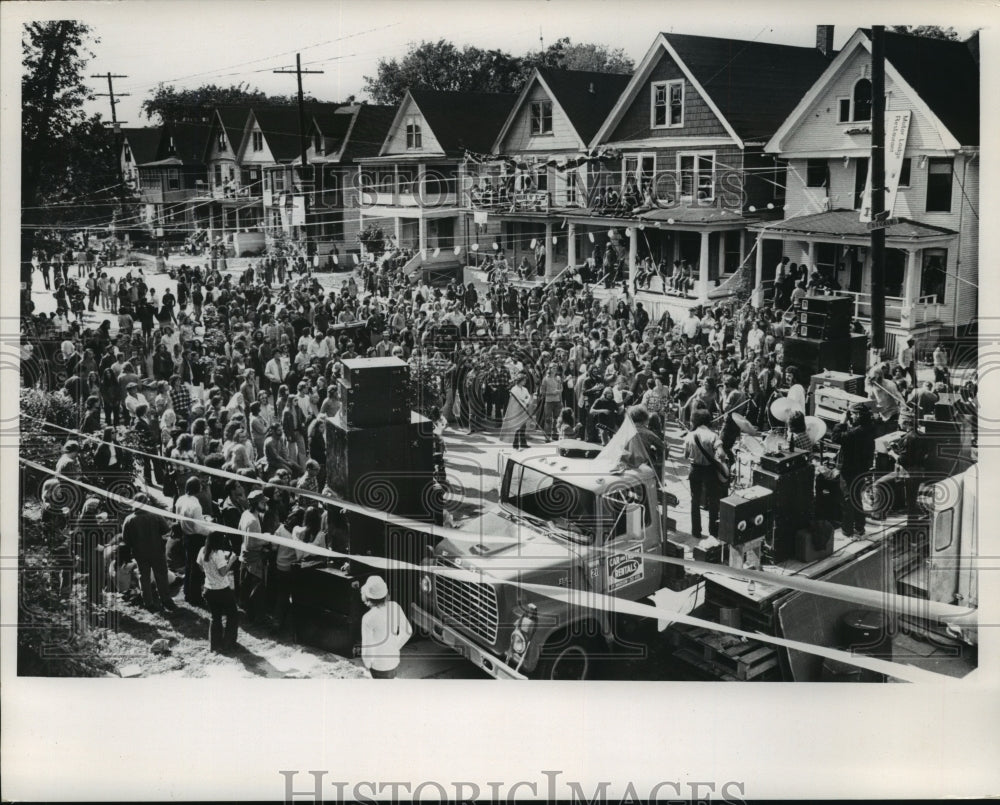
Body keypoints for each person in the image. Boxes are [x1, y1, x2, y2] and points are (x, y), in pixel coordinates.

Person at [121, 492, 177, 614]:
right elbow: (166, 531)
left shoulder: (129, 519)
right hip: (156, 550)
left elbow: (126, 540)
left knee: (144, 577)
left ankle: (148, 602)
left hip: (139, 553)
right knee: (161, 575)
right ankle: (166, 599)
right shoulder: (155, 516)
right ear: (147, 503)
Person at [828, 402, 876, 537]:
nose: (851, 416)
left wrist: (842, 422)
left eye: (853, 414)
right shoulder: (869, 428)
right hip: (861, 468)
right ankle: (860, 526)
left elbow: (836, 437)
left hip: (849, 469)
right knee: (856, 497)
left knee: (847, 499)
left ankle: (847, 530)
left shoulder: (856, 432)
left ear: (859, 415)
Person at [682, 410, 727, 539]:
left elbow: (684, 456)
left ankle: (696, 531)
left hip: (694, 471)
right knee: (713, 501)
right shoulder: (713, 436)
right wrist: (719, 461)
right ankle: (713, 531)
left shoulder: (690, 435)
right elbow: (722, 454)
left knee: (695, 500)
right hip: (709, 471)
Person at [360, 575, 412, 679]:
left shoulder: (368, 618)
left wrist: (367, 665)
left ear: (368, 597)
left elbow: (367, 648)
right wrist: (395, 646)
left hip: (378, 665)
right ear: (386, 594)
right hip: (394, 661)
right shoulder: (395, 606)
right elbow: (408, 631)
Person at [197, 531, 239, 653]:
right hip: (222, 590)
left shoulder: (202, 550)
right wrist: (231, 560)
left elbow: (200, 566)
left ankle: (215, 645)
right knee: (232, 615)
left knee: (215, 617)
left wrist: (210, 570)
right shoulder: (218, 553)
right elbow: (222, 572)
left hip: (209, 589)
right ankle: (228, 643)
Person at [173, 476, 212, 607]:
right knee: (196, 568)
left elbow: (179, 518)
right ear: (198, 488)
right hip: (195, 538)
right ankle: (195, 597)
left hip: (186, 536)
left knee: (189, 565)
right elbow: (197, 527)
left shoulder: (180, 499)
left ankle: (188, 592)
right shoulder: (196, 505)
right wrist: (210, 529)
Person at [238, 489, 271, 623]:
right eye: (263, 502)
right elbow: (251, 544)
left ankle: (250, 614)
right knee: (256, 589)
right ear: (257, 503)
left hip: (245, 556)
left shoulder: (246, 514)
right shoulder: (252, 521)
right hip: (253, 559)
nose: (265, 505)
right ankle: (257, 618)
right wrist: (267, 539)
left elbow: (240, 530)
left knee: (246, 586)